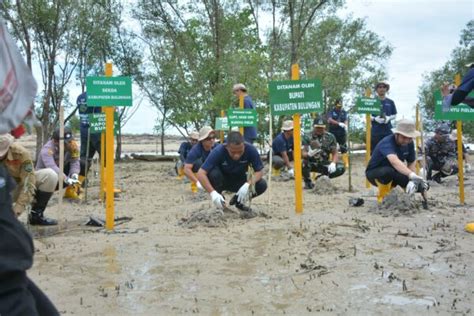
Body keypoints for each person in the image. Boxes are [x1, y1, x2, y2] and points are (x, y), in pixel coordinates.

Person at [197, 131, 267, 214]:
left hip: (241, 181)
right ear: (226, 147)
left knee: (262, 184)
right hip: (223, 180)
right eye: (233, 152)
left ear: (244, 146)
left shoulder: (251, 149)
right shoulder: (218, 151)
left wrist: (247, 184)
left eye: (240, 152)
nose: (236, 155)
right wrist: (213, 193)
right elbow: (201, 173)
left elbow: (259, 171)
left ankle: (238, 202)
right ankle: (220, 202)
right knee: (213, 173)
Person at [0, 134, 58, 225]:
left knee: (50, 175)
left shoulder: (21, 154)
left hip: (17, 187)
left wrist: (16, 211)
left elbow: (28, 183)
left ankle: (36, 216)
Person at [366, 119, 429, 202]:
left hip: (395, 173)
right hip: (375, 173)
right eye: (404, 137)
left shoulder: (409, 143)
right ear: (396, 134)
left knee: (422, 185)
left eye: (409, 138)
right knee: (387, 172)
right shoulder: (387, 142)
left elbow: (411, 162)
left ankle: (407, 197)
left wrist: (413, 180)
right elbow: (394, 161)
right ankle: (383, 198)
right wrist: (411, 174)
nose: (406, 141)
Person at [36, 126, 83, 199]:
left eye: (70, 141)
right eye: (65, 142)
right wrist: (66, 179)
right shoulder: (47, 150)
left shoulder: (72, 145)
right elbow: (52, 167)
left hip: (62, 174)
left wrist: (74, 174)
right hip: (46, 179)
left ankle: (72, 191)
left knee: (83, 163)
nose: (69, 144)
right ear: (55, 141)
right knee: (52, 173)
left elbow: (75, 162)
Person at [302, 118, 345, 189]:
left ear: (325, 127)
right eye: (317, 127)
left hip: (323, 163)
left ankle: (321, 178)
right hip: (310, 163)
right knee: (304, 163)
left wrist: (333, 163)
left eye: (321, 128)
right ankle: (308, 182)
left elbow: (335, 152)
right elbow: (302, 153)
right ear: (313, 126)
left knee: (341, 168)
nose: (319, 129)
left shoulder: (330, 137)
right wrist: (308, 154)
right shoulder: (307, 136)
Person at [184, 126, 216, 191]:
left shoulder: (217, 147)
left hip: (211, 171)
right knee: (198, 162)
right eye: (208, 138)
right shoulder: (195, 150)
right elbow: (186, 169)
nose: (212, 140)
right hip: (199, 172)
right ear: (202, 140)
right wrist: (197, 182)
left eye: (213, 137)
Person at [77, 92, 102, 173]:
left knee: (84, 157)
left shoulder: (80, 97)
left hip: (83, 130)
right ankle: (106, 180)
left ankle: (81, 180)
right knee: (105, 155)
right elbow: (99, 116)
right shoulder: (97, 96)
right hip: (96, 130)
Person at [370, 81, 397, 153]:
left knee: (389, 151)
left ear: (386, 89)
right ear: (376, 89)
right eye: (380, 87)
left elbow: (394, 115)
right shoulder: (372, 101)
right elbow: (367, 116)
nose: (382, 89)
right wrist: (375, 119)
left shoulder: (390, 102)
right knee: (374, 151)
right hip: (375, 132)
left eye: (384, 87)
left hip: (388, 131)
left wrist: (389, 118)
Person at [327, 98, 349, 167]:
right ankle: (330, 162)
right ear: (335, 105)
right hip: (333, 132)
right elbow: (329, 120)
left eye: (340, 106)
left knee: (343, 147)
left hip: (341, 133)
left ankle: (346, 163)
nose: (339, 107)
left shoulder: (343, 112)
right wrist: (338, 123)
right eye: (338, 106)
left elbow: (345, 119)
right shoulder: (331, 111)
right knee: (331, 147)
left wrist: (346, 125)